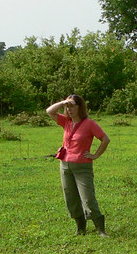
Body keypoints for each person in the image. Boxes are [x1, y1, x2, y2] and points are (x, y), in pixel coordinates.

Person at [46, 94, 111, 236]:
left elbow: (105, 139)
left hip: (82, 167)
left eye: (72, 106)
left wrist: (95, 155)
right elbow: (49, 111)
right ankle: (80, 228)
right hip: (65, 165)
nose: (69, 109)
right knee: (71, 197)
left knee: (87, 198)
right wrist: (63, 102)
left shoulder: (89, 124)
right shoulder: (66, 122)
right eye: (67, 107)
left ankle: (101, 229)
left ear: (80, 107)